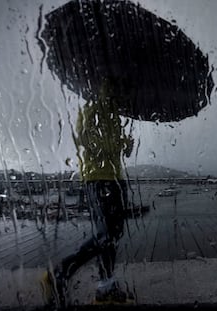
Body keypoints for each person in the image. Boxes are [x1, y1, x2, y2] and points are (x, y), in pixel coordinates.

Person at [41, 82, 134, 307]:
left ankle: (106, 288)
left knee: (113, 234)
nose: (120, 93)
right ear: (106, 87)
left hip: (114, 178)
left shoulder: (115, 115)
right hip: (97, 178)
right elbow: (83, 139)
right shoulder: (92, 109)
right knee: (106, 234)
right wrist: (116, 143)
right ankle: (60, 273)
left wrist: (126, 144)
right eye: (115, 88)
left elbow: (121, 150)